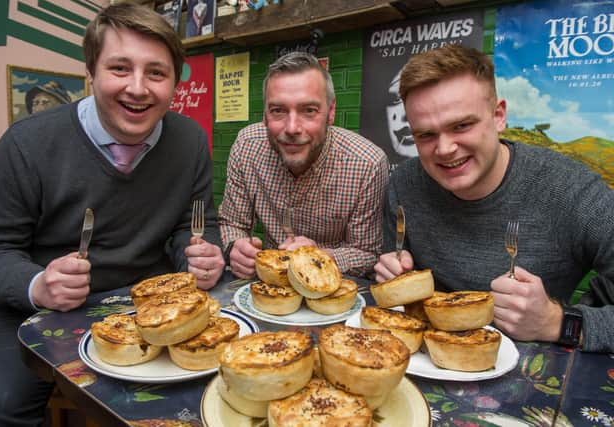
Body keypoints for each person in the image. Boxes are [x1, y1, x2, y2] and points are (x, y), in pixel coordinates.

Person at [0, 4, 224, 426]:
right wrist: (37, 285)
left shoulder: (191, 141)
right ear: (91, 71)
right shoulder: (26, 144)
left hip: (147, 302)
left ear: (175, 83)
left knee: (201, 394)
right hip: (35, 310)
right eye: (120, 68)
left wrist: (198, 255)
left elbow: (195, 226)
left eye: (157, 73)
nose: (138, 88)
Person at [374, 44, 614, 353]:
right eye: (426, 135)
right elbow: (394, 277)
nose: (445, 149)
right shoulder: (404, 183)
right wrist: (395, 276)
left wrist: (557, 322)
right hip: (427, 359)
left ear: (498, 116)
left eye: (462, 125)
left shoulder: (573, 190)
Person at [218, 52, 389, 279]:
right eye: (278, 110)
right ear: (265, 114)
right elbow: (231, 222)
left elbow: (369, 253)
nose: (292, 128)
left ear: (331, 112)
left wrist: (319, 256)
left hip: (333, 290)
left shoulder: (368, 164)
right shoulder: (247, 147)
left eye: (309, 110)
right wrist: (235, 247)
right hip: (270, 288)